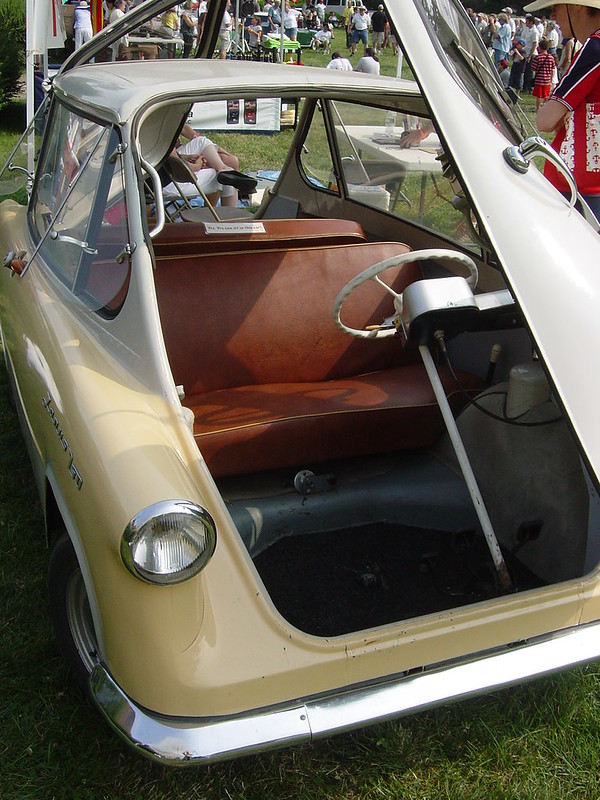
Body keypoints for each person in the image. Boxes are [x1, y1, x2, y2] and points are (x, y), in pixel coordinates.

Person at [528, 0, 600, 221]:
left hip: (577, 188)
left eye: (556, 7)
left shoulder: (594, 48)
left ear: (577, 6)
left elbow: (545, 121)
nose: (553, 16)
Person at [531, 38, 556, 109]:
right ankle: (546, 108)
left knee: (539, 96)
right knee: (546, 95)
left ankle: (538, 108)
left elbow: (533, 68)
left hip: (539, 80)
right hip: (547, 80)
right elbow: (553, 68)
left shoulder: (538, 57)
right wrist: (551, 78)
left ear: (540, 47)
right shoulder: (551, 57)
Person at [523, 13, 541, 91]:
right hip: (526, 52)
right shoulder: (528, 30)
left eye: (527, 22)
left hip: (531, 54)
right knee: (526, 71)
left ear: (531, 22)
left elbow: (534, 44)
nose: (526, 23)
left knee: (529, 71)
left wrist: (530, 56)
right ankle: (525, 86)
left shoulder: (535, 32)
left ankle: (529, 87)